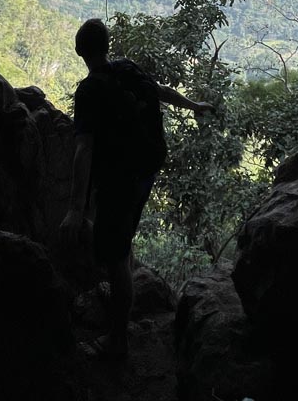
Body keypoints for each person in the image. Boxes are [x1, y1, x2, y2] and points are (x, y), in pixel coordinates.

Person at [59, 18, 213, 359]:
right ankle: (120, 291)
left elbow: (84, 149)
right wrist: (195, 105)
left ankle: (117, 343)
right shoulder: (127, 68)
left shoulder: (89, 91)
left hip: (119, 178)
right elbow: (159, 90)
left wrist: (74, 208)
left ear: (79, 51)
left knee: (114, 256)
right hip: (145, 168)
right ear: (108, 44)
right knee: (121, 237)